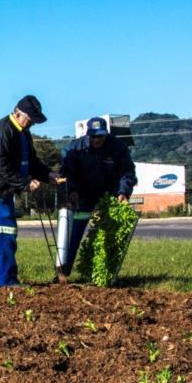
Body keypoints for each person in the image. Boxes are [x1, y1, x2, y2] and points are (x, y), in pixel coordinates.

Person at [0, 95, 61, 286]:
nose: (33, 124)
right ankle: (6, 280)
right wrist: (24, 183)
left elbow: (32, 162)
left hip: (4, 188)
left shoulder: (23, 132)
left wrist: (47, 175)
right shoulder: (1, 132)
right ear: (18, 113)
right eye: (31, 120)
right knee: (6, 231)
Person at [59, 117, 137, 275]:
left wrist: (123, 192)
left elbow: (127, 172)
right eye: (93, 136)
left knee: (108, 239)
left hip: (108, 199)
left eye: (100, 136)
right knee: (72, 239)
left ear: (106, 134)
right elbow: (67, 172)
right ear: (88, 135)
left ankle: (104, 275)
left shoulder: (118, 148)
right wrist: (72, 190)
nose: (96, 139)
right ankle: (63, 273)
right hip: (81, 199)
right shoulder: (75, 148)